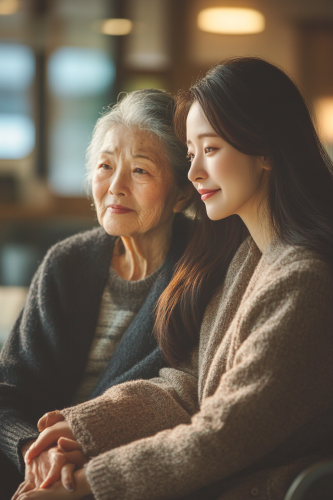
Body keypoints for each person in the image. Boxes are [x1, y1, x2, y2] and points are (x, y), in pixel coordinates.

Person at [15, 57, 333, 500]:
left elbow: (223, 433)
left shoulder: (303, 280)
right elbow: (186, 384)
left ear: (266, 151)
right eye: (190, 153)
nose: (195, 171)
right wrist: (79, 427)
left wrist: (86, 486)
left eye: (212, 149)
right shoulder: (247, 257)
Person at [0, 88, 195, 499]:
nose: (116, 186)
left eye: (140, 171)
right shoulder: (66, 263)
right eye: (106, 166)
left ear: (182, 193)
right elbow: (8, 392)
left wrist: (73, 455)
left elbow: (179, 403)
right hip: (33, 462)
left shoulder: (202, 271)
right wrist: (32, 451)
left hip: (119, 475)